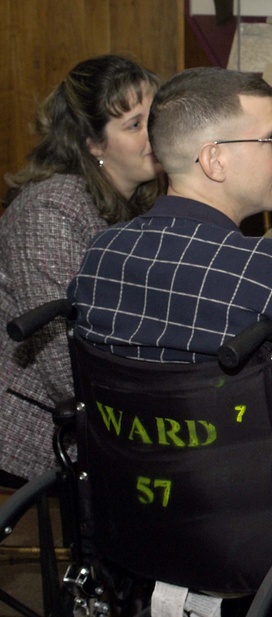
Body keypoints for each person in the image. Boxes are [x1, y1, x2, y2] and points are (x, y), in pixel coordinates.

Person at [67, 68, 272, 438]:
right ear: (214, 160)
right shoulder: (268, 269)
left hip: (127, 487)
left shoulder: (101, 254)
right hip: (249, 491)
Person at [0, 55, 164, 485]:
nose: (154, 134)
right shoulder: (48, 210)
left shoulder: (139, 202)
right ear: (92, 144)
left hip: (105, 418)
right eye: (134, 125)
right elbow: (63, 361)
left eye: (156, 118)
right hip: (36, 437)